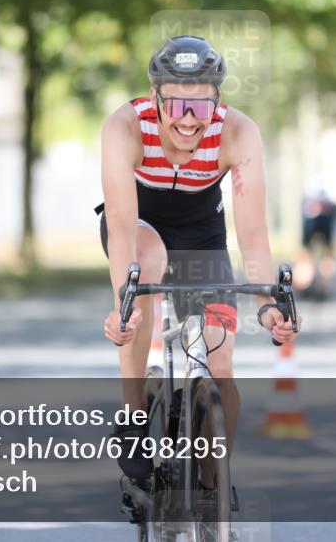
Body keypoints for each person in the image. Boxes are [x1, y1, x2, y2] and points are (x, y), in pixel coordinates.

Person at [96, 35, 300, 481]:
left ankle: (212, 497)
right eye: (176, 105)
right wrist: (122, 307)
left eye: (202, 107)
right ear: (155, 98)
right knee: (146, 263)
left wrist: (266, 305)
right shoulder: (125, 127)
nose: (189, 120)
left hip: (202, 236)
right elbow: (123, 227)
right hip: (140, 228)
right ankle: (133, 416)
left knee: (221, 373)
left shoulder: (239, 132)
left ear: (219, 101)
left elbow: (251, 231)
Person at [297, 190, 336, 301]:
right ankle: (324, 284)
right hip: (326, 209)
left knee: (306, 252)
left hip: (310, 209)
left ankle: (303, 283)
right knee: (327, 253)